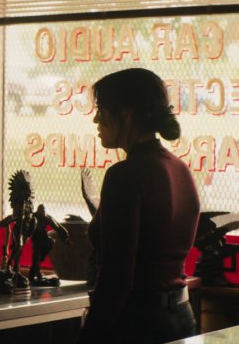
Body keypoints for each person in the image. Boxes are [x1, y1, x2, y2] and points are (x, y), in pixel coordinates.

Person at [77, 68, 200, 344]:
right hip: (182, 318)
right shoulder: (180, 169)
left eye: (102, 110)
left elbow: (117, 280)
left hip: (137, 326)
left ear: (127, 114)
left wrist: (88, 338)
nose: (96, 119)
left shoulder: (125, 175)